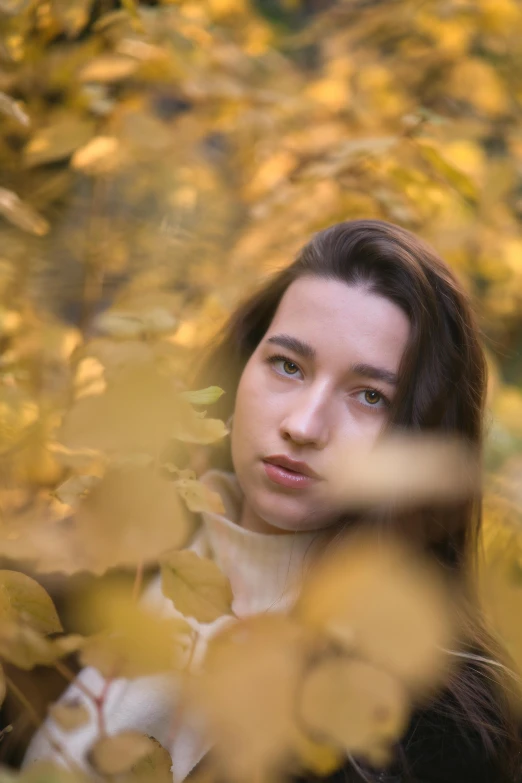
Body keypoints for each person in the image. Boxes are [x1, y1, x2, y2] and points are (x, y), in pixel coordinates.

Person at [22, 219, 522, 782]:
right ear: (238, 371)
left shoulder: (436, 719)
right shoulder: (93, 571)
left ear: (418, 443)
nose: (304, 425)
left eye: (369, 396)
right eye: (288, 365)